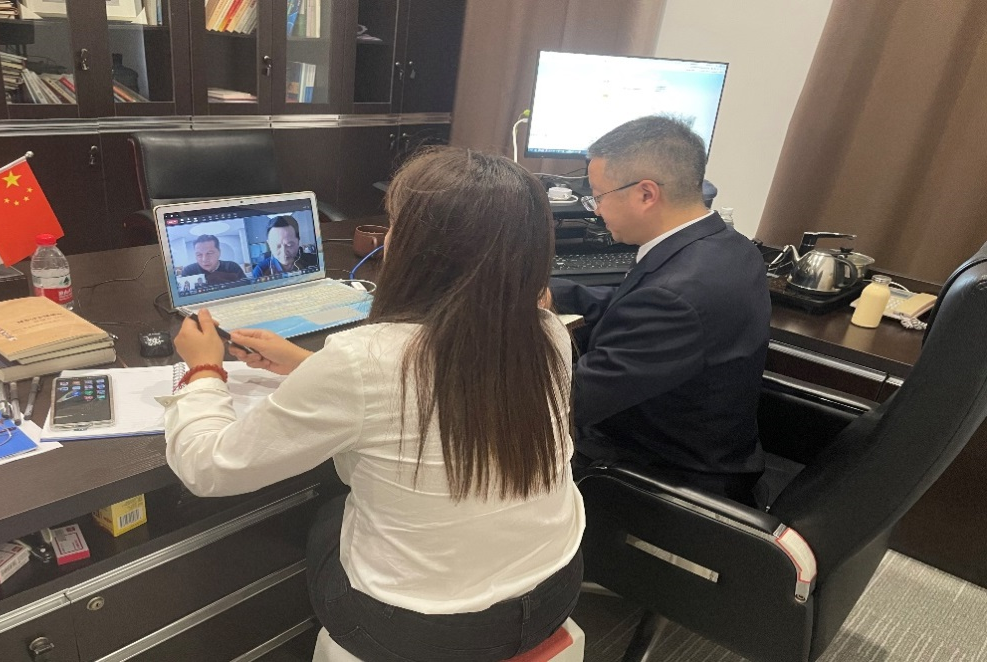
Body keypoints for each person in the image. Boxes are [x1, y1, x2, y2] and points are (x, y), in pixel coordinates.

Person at [164, 147, 584, 661]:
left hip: (422, 630)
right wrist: (307, 365)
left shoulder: (364, 360)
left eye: (394, 225)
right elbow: (431, 392)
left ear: (417, 247)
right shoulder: (548, 332)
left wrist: (203, 369)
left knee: (326, 510)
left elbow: (208, 468)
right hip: (554, 591)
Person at [549, 116, 771, 505]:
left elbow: (572, 402)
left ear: (646, 194)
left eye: (598, 196)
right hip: (707, 442)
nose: (596, 211)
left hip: (663, 470)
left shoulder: (674, 296)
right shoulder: (726, 245)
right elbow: (631, 306)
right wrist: (557, 294)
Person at [181, 234, 247, 285]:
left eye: (209, 253)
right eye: (199, 255)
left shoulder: (232, 267)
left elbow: (246, 288)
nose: (204, 259)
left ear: (219, 252)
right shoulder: (188, 271)